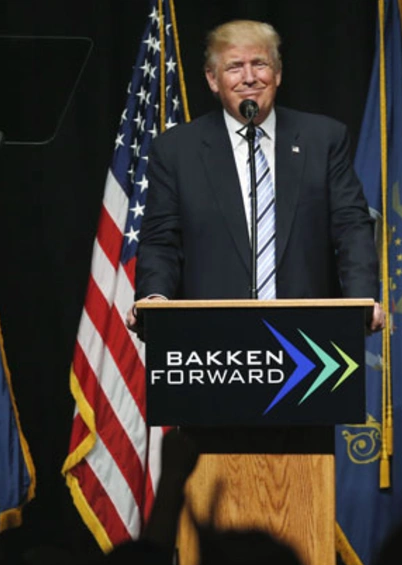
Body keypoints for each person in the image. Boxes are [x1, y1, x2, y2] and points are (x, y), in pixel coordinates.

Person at [126, 19, 384, 331]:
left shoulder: (323, 138)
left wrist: (362, 300)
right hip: (213, 336)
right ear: (212, 79)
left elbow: (351, 227)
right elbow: (161, 240)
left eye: (259, 64)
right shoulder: (177, 150)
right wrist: (155, 297)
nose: (249, 78)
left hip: (310, 334)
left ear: (277, 73)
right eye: (235, 66)